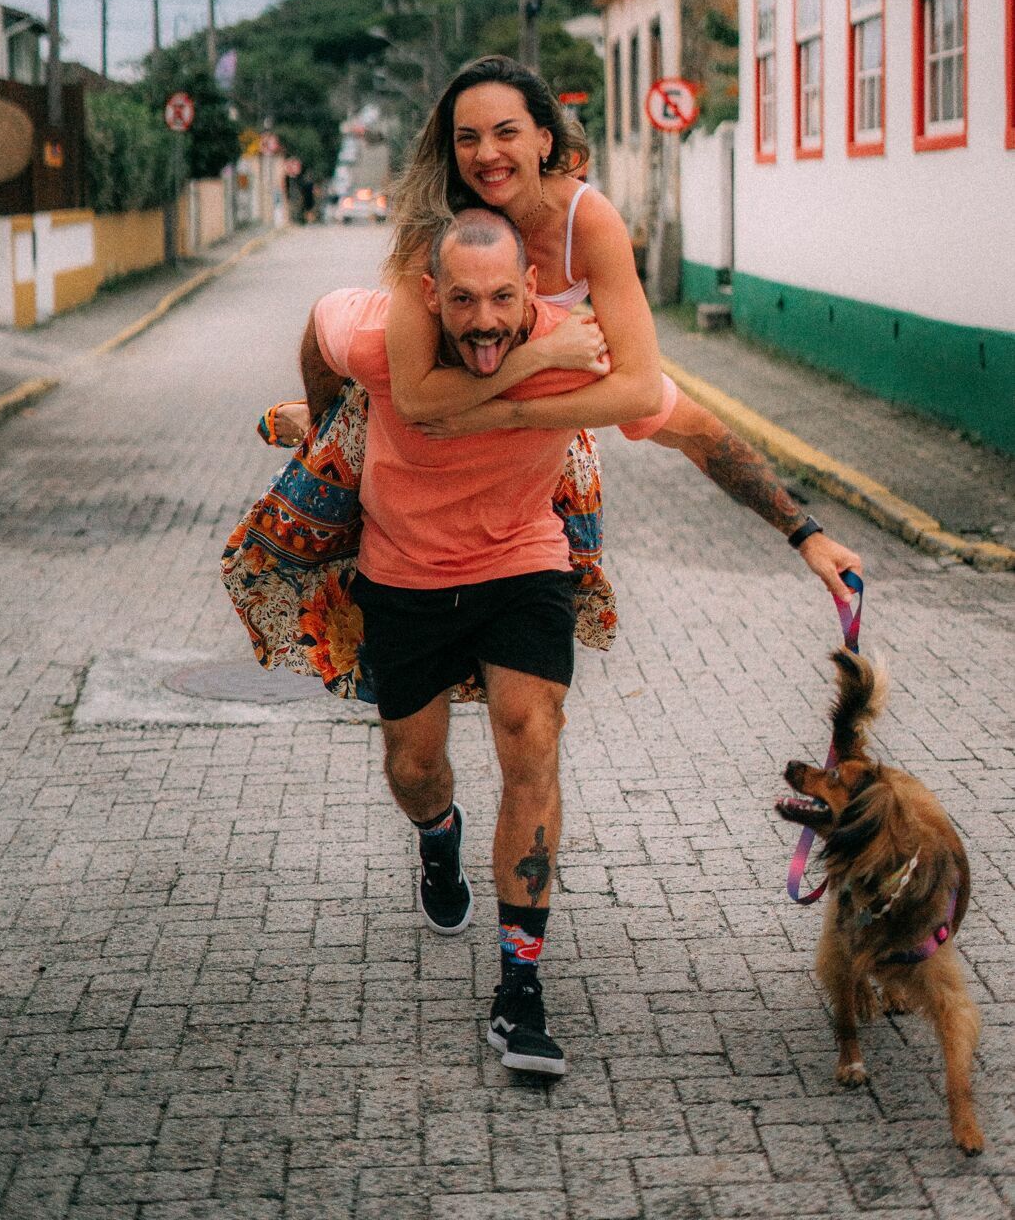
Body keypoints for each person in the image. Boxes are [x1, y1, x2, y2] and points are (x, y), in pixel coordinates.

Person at [274, 54, 861, 599]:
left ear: (544, 140)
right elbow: (372, 361)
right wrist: (326, 420)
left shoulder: (587, 221)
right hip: (443, 389)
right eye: (467, 138)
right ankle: (343, 415)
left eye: (506, 133)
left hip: (540, 395)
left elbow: (641, 390)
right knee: (356, 422)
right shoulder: (436, 228)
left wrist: (804, 534)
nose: (486, 154)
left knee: (672, 426)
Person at [298, 207, 631, 1078]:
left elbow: (671, 411)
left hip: (522, 567)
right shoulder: (380, 341)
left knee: (532, 738)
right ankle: (438, 835)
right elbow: (318, 329)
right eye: (461, 301)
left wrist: (804, 533)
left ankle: (520, 990)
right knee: (413, 770)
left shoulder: (572, 344)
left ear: (530, 288)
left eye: (501, 298)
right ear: (428, 296)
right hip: (403, 575)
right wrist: (326, 430)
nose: (483, 321)